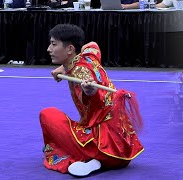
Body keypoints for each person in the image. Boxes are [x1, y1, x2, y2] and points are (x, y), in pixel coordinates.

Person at [40, 24, 144, 177]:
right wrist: (64, 67)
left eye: (54, 44)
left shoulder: (81, 73)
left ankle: (92, 158)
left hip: (102, 148)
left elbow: (96, 98)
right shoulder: (89, 55)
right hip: (123, 148)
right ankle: (96, 160)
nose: (49, 49)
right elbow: (92, 45)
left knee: (47, 114)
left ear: (69, 49)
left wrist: (90, 91)